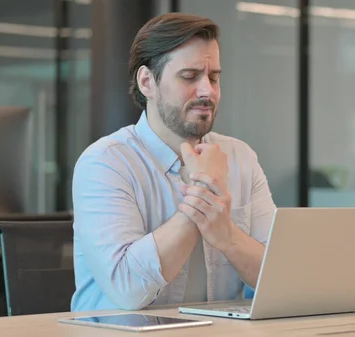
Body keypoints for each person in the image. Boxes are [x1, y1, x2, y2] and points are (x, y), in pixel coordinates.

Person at [70, 12, 276, 312]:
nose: (208, 90)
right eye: (189, 76)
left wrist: (227, 234)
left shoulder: (241, 157)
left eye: (214, 77)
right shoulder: (104, 163)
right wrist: (204, 194)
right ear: (147, 82)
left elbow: (277, 278)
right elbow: (127, 290)